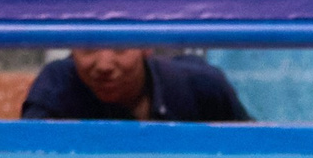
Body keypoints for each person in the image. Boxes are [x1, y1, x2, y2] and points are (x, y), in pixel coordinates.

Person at [21, 48, 252, 122]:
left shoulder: (203, 86)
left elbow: (256, 156)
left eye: (120, 46)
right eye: (89, 46)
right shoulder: (56, 87)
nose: (103, 64)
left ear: (146, 45)